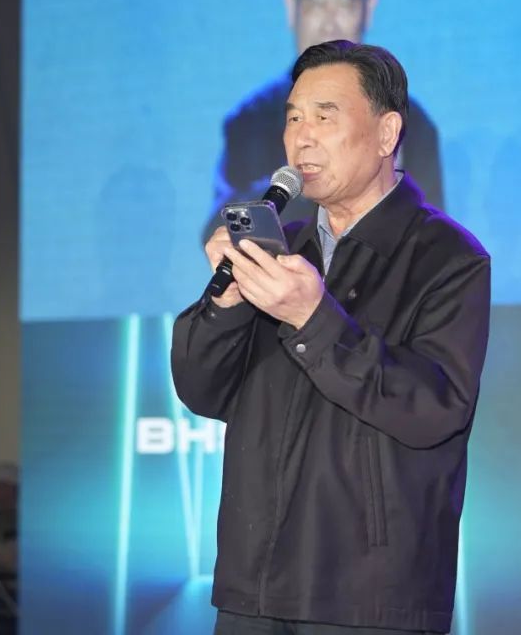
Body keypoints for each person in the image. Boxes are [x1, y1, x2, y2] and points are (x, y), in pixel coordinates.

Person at [171, 40, 490, 634]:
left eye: (325, 116)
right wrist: (227, 304)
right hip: (252, 589)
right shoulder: (282, 249)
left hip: (367, 598)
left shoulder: (447, 258)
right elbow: (201, 390)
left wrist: (314, 317)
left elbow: (434, 409)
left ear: (387, 133)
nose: (302, 137)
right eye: (293, 118)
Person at [203, 0, 443, 240]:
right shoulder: (251, 121)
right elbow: (218, 229)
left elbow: (434, 240)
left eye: (345, 2)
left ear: (368, 9)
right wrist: (305, 183)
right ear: (292, 7)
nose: (330, 22)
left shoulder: (409, 123)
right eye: (316, 1)